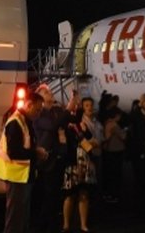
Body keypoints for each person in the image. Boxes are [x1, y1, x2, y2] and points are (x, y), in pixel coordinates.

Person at [0, 89, 48, 233]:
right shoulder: (15, 122)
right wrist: (36, 153)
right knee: (15, 219)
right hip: (16, 177)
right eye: (37, 109)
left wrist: (35, 151)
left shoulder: (24, 121)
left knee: (21, 217)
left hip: (23, 176)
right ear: (28, 105)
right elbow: (14, 152)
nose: (39, 113)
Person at [61, 96, 103, 233]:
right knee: (70, 194)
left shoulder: (82, 126)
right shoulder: (66, 125)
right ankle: (66, 225)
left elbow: (95, 141)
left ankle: (83, 225)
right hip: (72, 162)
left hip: (85, 162)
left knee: (84, 194)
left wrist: (85, 137)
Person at [32, 84, 69, 233]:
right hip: (45, 161)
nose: (50, 93)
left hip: (57, 157)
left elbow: (65, 124)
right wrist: (67, 110)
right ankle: (43, 226)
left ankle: (51, 225)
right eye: (46, 92)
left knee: (55, 196)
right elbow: (54, 126)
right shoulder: (39, 115)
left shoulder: (55, 111)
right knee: (48, 196)